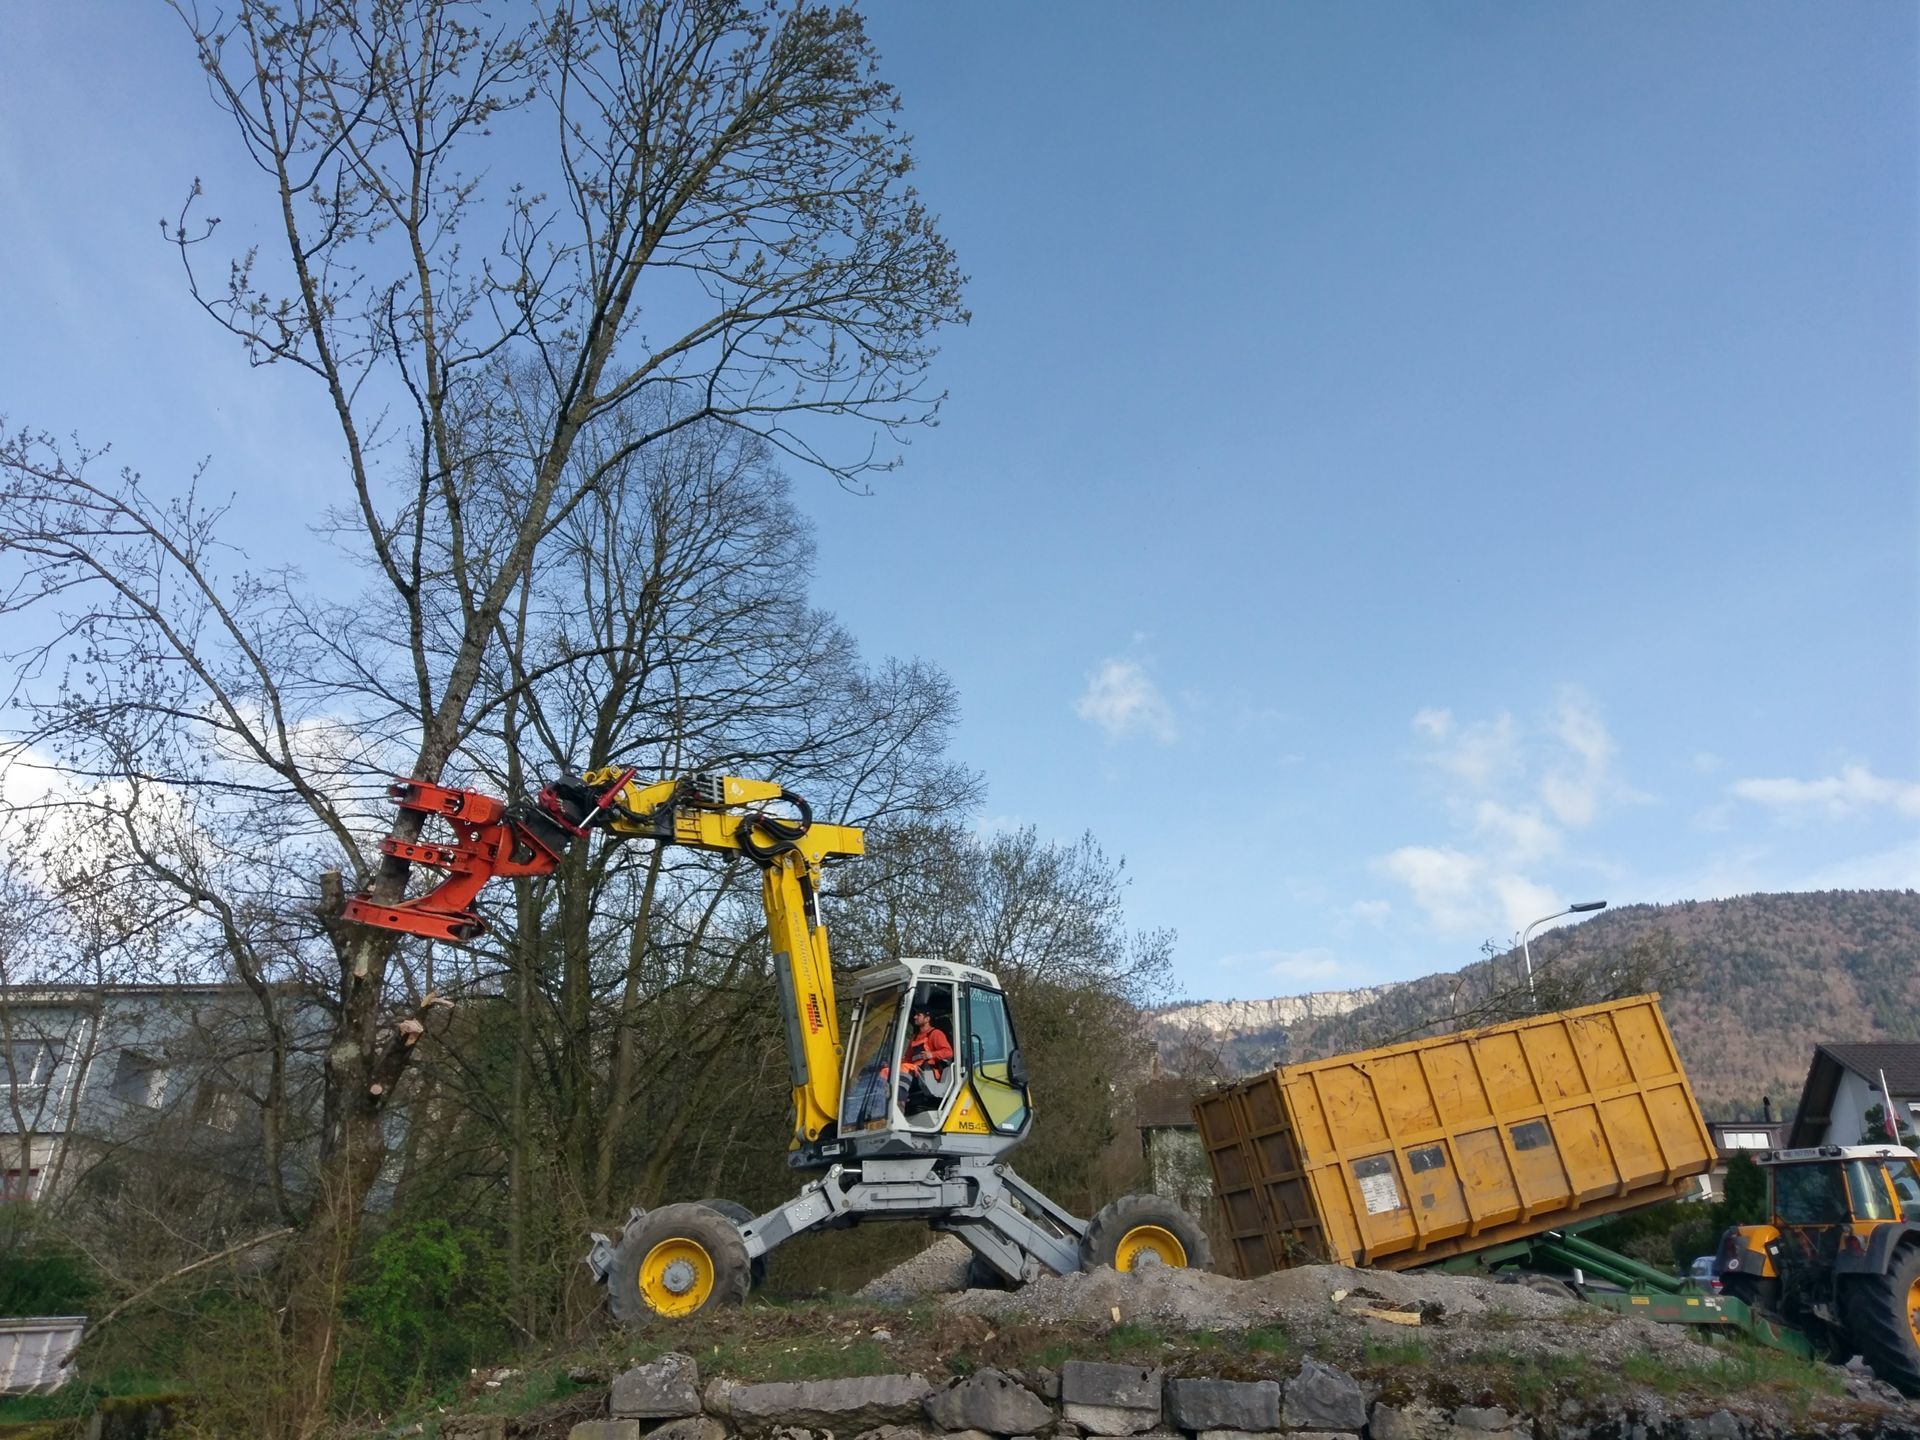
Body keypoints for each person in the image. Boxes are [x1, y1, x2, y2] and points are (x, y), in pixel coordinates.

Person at [897, 1006, 953, 1112]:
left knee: (905, 1068)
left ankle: (900, 1103)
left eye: (919, 1015)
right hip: (914, 1072)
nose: (915, 1017)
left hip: (927, 1073)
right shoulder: (914, 1037)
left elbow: (948, 1052)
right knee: (887, 1071)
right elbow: (908, 1058)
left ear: (927, 1019)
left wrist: (932, 1054)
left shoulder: (935, 1034)